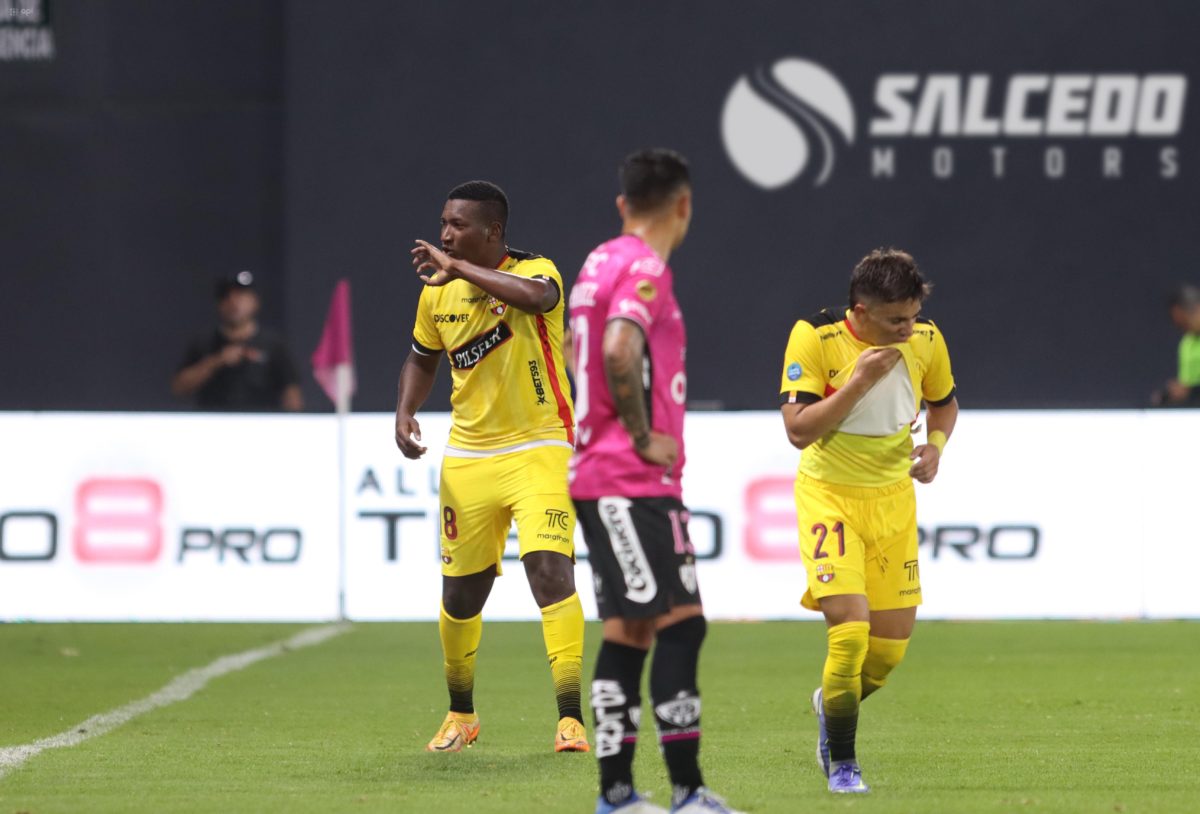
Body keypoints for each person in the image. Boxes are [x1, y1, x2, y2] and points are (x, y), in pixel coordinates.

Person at [569, 149, 744, 814]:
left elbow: (574, 347)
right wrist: (641, 437)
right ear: (684, 205)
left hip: (606, 476)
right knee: (680, 627)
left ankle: (619, 794)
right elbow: (618, 347)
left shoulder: (598, 261)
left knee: (631, 630)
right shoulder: (646, 268)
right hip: (630, 478)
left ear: (622, 206)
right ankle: (685, 792)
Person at [394, 180, 589, 754]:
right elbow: (420, 357)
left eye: (457, 225)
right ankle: (461, 716)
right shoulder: (437, 293)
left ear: (493, 232)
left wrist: (456, 267)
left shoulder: (538, 269)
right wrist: (405, 410)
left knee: (550, 570)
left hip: (541, 445)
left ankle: (571, 719)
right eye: (443, 223)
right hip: (469, 457)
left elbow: (535, 300)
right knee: (461, 595)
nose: (445, 234)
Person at [778, 248, 958, 794]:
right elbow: (798, 430)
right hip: (829, 496)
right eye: (895, 320)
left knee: (888, 653)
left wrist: (936, 446)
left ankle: (831, 706)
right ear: (860, 311)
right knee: (851, 635)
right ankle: (844, 764)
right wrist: (857, 382)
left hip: (893, 500)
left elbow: (944, 402)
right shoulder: (815, 335)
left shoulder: (926, 338)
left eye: (912, 316)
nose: (909, 330)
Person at [172, 271, 304, 411]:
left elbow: (292, 392)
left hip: (260, 425)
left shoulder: (273, 345)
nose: (233, 303)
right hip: (213, 426)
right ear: (219, 304)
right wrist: (217, 361)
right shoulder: (205, 343)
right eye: (227, 297)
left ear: (255, 301)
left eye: (241, 296)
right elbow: (179, 388)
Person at [1152, 283, 1200, 407]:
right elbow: (1187, 385)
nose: (1183, 328)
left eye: (1184, 321)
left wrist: (1192, 391)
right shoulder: (1187, 344)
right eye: (1179, 325)